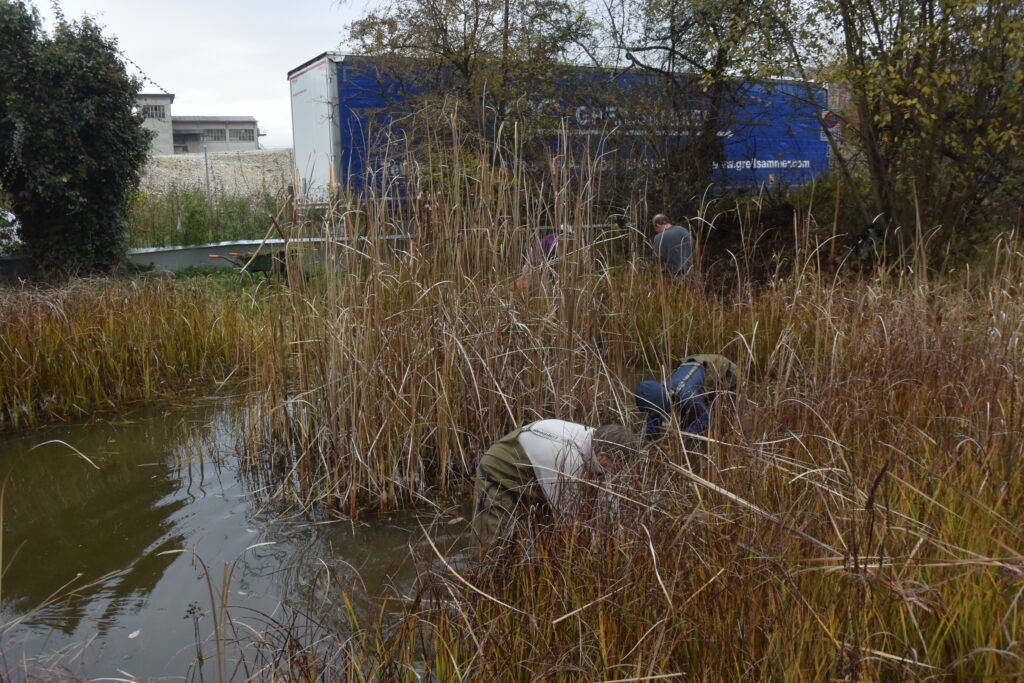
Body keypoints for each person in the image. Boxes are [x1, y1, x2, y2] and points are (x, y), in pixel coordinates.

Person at [471, 420, 637, 546]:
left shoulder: (602, 440)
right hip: (498, 470)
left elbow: (607, 496)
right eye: (616, 469)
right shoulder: (567, 459)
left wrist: (616, 530)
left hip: (535, 472)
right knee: (497, 541)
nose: (615, 474)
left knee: (537, 530)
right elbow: (566, 518)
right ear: (602, 457)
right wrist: (592, 548)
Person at [634, 353, 738, 444]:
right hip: (697, 371)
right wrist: (650, 441)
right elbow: (653, 426)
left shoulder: (686, 394)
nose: (650, 414)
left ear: (659, 404)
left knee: (720, 424)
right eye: (648, 412)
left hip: (726, 372)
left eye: (651, 411)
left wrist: (681, 439)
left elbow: (703, 421)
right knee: (688, 418)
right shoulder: (658, 396)